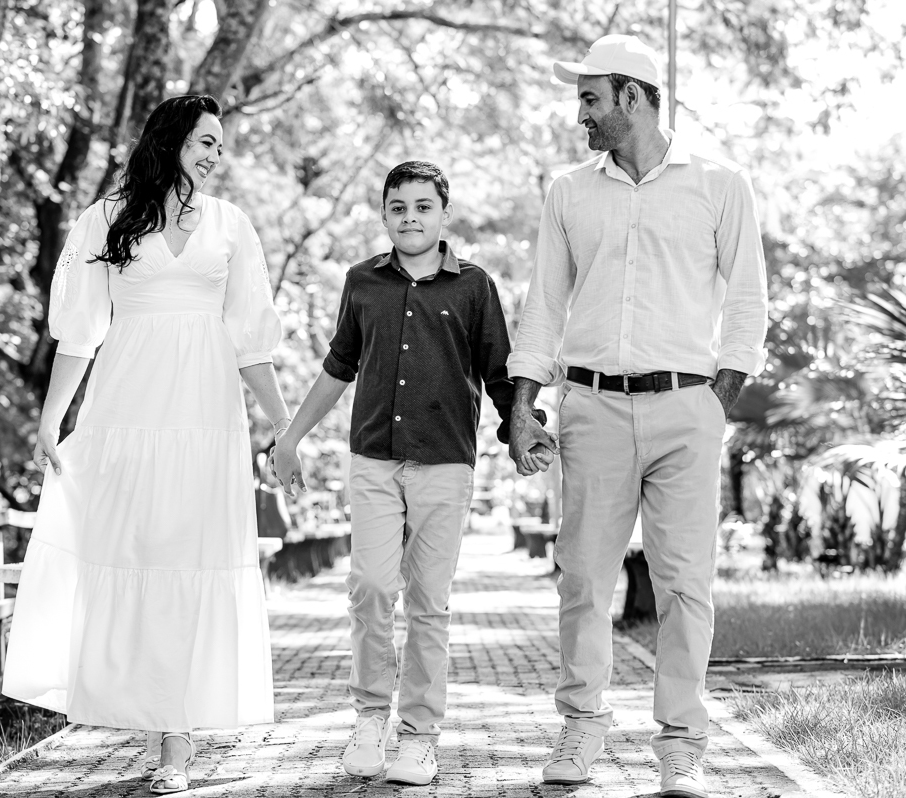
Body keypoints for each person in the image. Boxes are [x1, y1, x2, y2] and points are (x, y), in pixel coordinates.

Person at [2, 95, 290, 795]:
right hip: (126, 411)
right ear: (170, 141)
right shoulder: (106, 219)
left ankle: (175, 740)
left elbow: (251, 343)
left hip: (206, 417)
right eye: (205, 141)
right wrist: (51, 419)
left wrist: (285, 427)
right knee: (134, 553)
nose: (216, 155)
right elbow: (79, 333)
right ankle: (139, 704)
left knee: (191, 560)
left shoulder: (231, 225)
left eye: (220, 144)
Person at [506, 35, 768, 798]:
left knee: (685, 585)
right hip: (591, 406)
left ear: (632, 96)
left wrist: (716, 400)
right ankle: (582, 727)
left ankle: (682, 746)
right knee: (583, 580)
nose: (579, 114)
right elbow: (544, 304)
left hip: (688, 408)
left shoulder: (721, 184)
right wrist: (523, 404)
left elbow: (748, 300)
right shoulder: (569, 192)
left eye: (590, 99)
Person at [272, 161, 548, 786]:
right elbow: (338, 367)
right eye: (398, 207)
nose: (411, 218)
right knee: (371, 587)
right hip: (373, 458)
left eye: (423, 207)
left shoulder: (474, 287)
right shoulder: (361, 282)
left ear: (444, 213)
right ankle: (371, 718)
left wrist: (522, 430)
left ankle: (420, 737)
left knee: (428, 602)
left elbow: (500, 374)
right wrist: (290, 437)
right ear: (384, 214)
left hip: (444, 462)